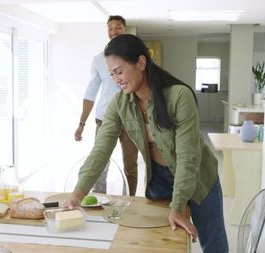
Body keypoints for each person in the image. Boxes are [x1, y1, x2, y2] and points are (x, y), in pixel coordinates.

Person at [66, 34, 228, 252]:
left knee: (214, 246)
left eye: (120, 71)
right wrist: (78, 193)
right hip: (159, 180)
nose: (116, 79)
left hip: (199, 179)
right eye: (112, 74)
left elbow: (188, 158)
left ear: (141, 63)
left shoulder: (179, 96)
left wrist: (178, 206)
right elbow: (101, 149)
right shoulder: (119, 104)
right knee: (159, 243)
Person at [74, 15, 139, 196]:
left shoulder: (135, 58)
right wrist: (81, 124)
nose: (114, 31)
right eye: (110, 28)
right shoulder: (98, 60)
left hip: (130, 118)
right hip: (104, 119)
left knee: (130, 164)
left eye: (118, 27)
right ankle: (98, 199)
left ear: (125, 29)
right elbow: (91, 92)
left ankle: (131, 199)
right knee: (100, 162)